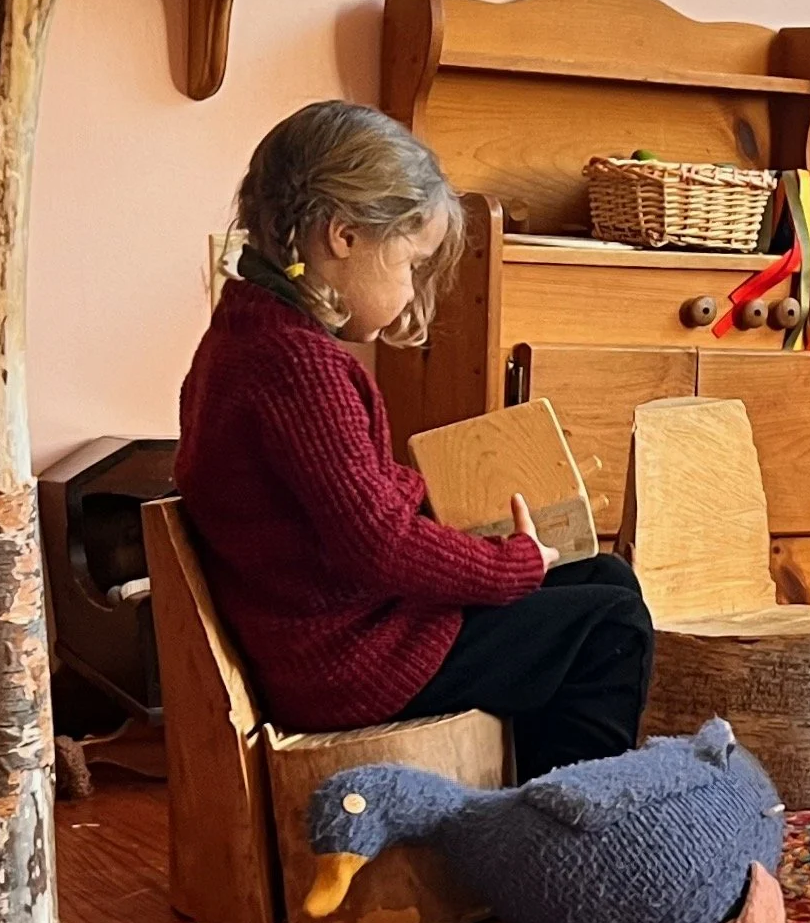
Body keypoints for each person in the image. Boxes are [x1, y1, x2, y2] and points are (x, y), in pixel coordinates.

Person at [175, 100, 651, 782]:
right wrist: (507, 567)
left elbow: (348, 499)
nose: (409, 288)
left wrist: (473, 532)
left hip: (336, 632)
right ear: (343, 236)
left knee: (599, 576)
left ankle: (543, 809)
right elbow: (378, 545)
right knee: (607, 623)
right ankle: (567, 833)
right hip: (350, 659)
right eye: (409, 262)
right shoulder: (297, 364)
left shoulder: (248, 334)